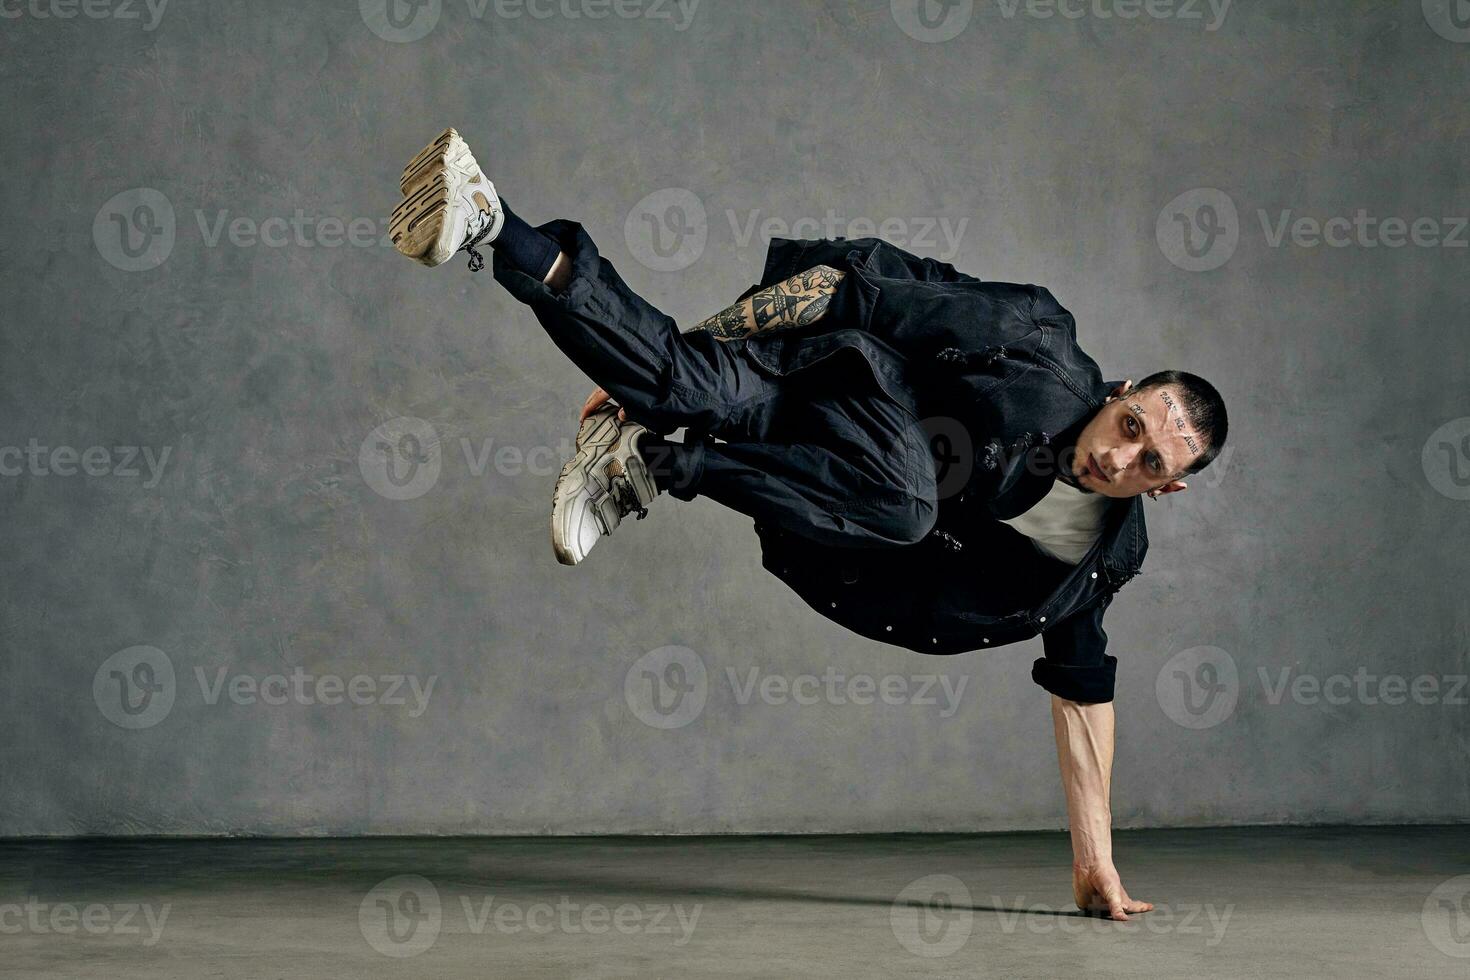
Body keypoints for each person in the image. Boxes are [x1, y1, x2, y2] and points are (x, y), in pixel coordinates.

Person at [388, 127, 1230, 921]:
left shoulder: (1098, 560)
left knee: (884, 497)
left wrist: (1096, 866)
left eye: (1153, 464)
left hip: (818, 491)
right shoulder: (1032, 343)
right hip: (826, 379)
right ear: (1119, 394)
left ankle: (620, 399)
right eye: (1130, 428)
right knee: (718, 400)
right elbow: (849, 287)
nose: (1121, 460)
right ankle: (500, 230)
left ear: (1168, 491)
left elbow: (1082, 691)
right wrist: (666, 370)